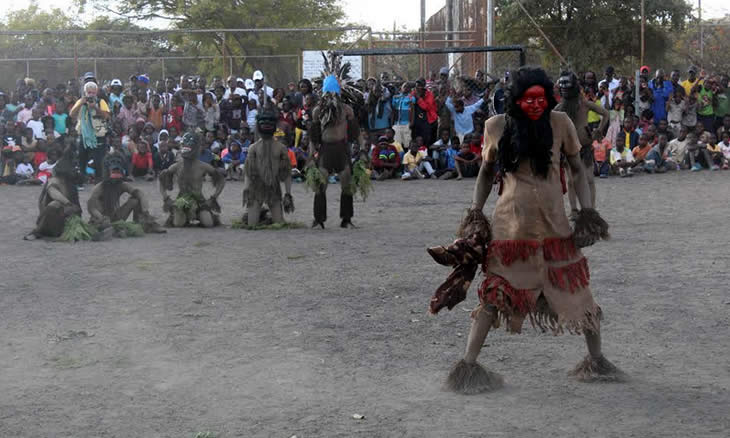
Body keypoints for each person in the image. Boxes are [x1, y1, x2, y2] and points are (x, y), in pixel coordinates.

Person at [427, 66, 619, 395]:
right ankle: (467, 367)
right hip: (511, 231)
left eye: (540, 99)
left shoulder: (560, 124)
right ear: (515, 99)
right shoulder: (496, 126)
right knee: (495, 294)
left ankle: (597, 359)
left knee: (580, 293)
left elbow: (576, 170)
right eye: (528, 99)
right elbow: (486, 173)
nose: (534, 105)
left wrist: (587, 212)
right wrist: (475, 211)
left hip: (555, 228)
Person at [241, 106, 295, 226]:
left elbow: (286, 173)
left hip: (273, 188)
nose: (266, 124)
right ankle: (260, 214)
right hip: (256, 188)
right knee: (252, 224)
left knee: (279, 223)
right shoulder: (253, 148)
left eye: (270, 122)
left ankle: (267, 216)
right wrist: (246, 189)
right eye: (263, 122)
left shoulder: (281, 148)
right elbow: (248, 172)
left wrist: (288, 193)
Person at [69, 82, 110, 183]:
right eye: (89, 92)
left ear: (96, 93)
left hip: (98, 135)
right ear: (85, 92)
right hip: (84, 135)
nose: (91, 94)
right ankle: (81, 180)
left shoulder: (101, 102)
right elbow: (72, 115)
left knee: (99, 160)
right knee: (81, 158)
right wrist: (81, 104)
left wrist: (95, 107)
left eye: (93, 92)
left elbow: (107, 116)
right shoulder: (80, 101)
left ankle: (99, 181)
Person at [391, 82, 415, 148]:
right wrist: (392, 123)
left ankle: (407, 157)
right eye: (404, 86)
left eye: (408, 87)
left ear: (410, 89)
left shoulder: (411, 98)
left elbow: (412, 110)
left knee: (407, 144)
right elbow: (393, 110)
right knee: (397, 145)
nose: (406, 88)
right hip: (397, 123)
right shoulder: (395, 97)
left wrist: (412, 122)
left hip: (407, 123)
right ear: (401, 88)